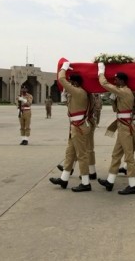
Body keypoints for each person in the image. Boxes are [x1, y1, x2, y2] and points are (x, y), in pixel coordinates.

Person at [49, 61, 92, 192]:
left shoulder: (79, 92)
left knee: (81, 155)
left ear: (76, 83)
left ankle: (85, 183)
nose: (70, 84)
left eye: (71, 82)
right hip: (75, 127)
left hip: (78, 127)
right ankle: (64, 179)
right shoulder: (78, 92)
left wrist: (64, 68)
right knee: (70, 154)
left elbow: (61, 79)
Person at [97, 63, 135, 195]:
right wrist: (113, 99)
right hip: (122, 126)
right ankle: (110, 181)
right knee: (116, 155)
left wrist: (101, 71)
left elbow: (104, 84)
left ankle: (133, 185)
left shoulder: (124, 91)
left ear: (122, 81)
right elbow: (116, 109)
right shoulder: (122, 92)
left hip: (125, 128)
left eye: (116, 79)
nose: (114, 81)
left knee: (129, 157)